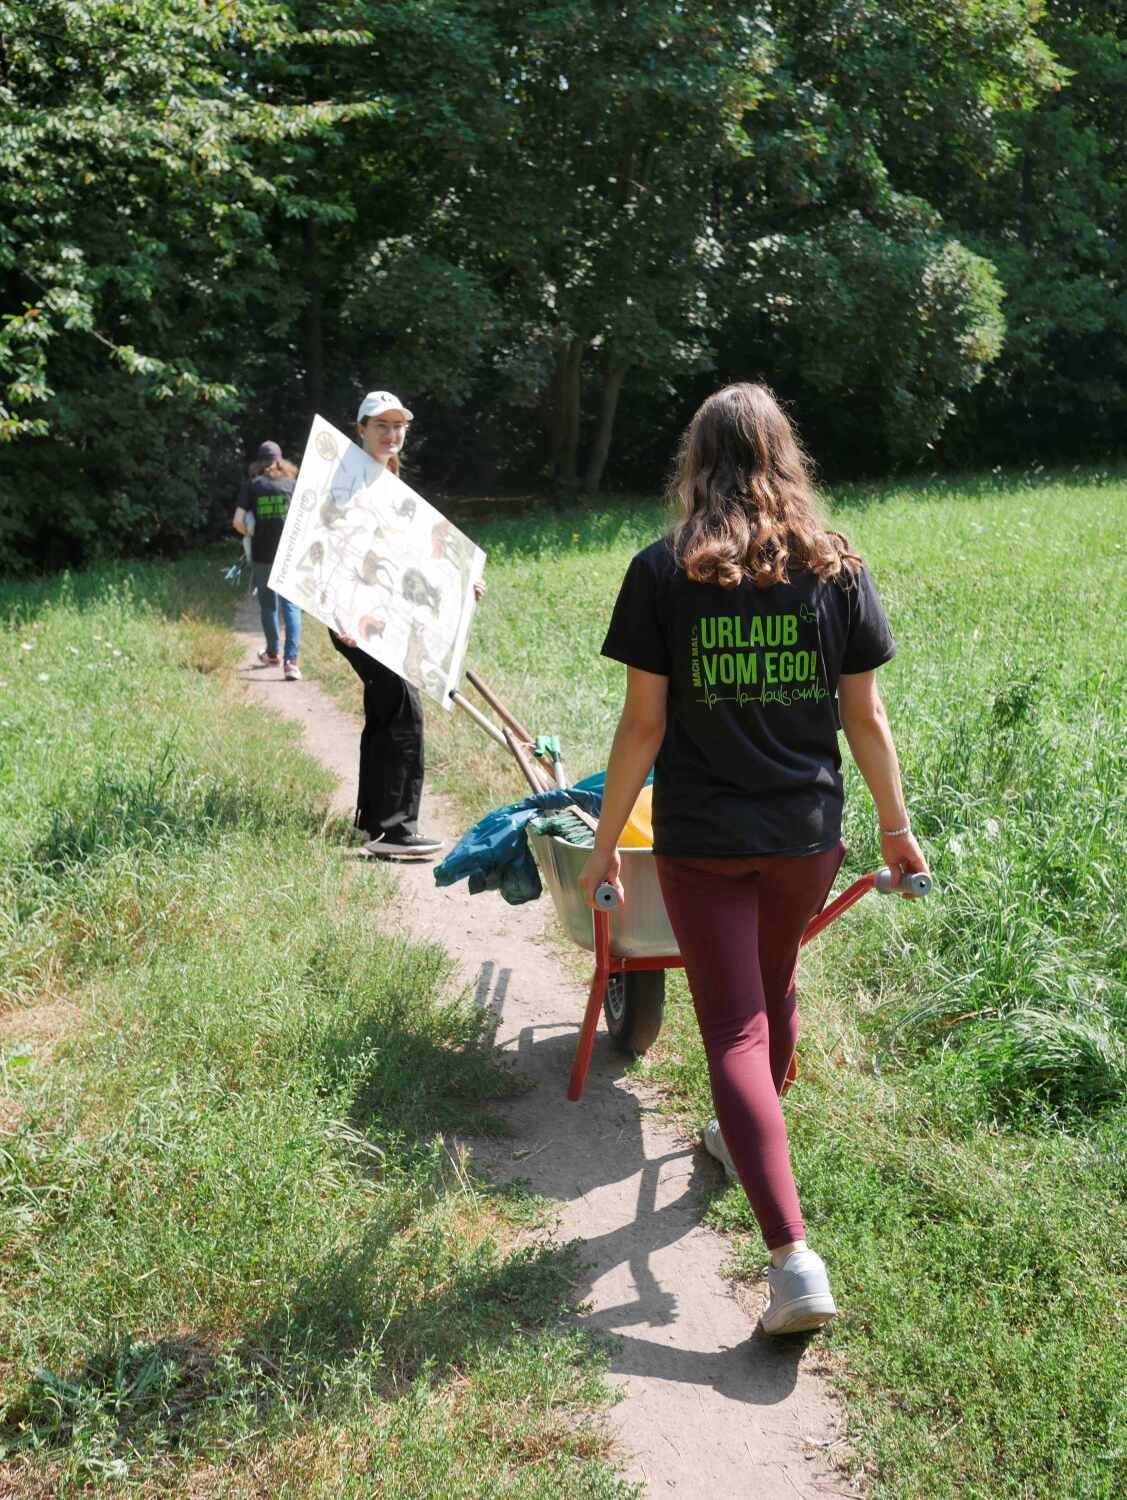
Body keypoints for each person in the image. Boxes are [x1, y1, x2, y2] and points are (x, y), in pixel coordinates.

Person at [578, 383, 928, 1336]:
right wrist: (895, 828)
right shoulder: (836, 569)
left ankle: (791, 1258)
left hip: (703, 843)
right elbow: (866, 717)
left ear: (696, 462)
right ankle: (743, 1140)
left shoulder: (662, 572)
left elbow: (642, 724)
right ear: (785, 456)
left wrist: (604, 845)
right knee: (771, 997)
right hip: (804, 840)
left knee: (733, 1029)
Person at [330, 390, 484, 861]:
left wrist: (461, 585)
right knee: (402, 712)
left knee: (385, 710)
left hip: (382, 616)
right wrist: (340, 615)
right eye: (381, 426)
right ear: (361, 431)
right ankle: (393, 832)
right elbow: (331, 550)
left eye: (398, 426)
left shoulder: (387, 479)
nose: (392, 434)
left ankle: (372, 822)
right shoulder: (347, 480)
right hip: (356, 618)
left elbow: (410, 555)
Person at [233, 440, 302, 680]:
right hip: (290, 555)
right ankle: (291, 662)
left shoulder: (251, 486)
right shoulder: (293, 485)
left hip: (262, 555)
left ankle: (273, 653)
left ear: (259, 462)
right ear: (279, 460)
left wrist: (251, 533)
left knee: (269, 605)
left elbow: (238, 522)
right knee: (291, 606)